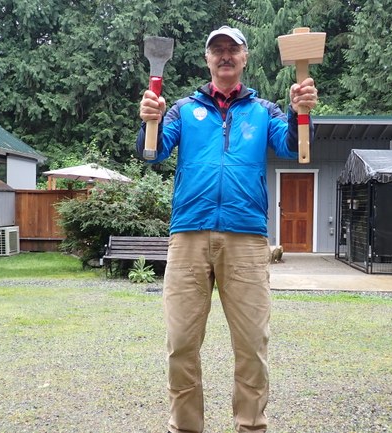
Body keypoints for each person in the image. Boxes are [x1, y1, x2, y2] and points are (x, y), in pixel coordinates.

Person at [136, 25, 318, 433]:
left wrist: (299, 110)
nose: (225, 56)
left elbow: (293, 148)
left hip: (247, 240)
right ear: (207, 59)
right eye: (217, 50)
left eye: (232, 50)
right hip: (188, 237)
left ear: (245, 58)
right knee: (181, 345)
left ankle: (250, 426)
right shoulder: (183, 110)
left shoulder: (264, 111)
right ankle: (185, 427)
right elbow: (152, 153)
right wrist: (149, 118)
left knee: (252, 346)